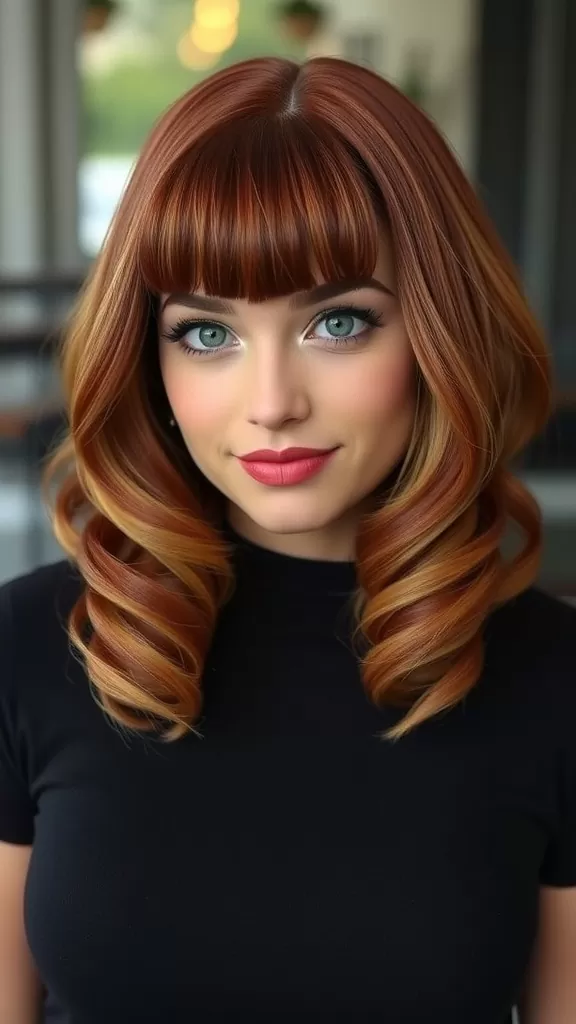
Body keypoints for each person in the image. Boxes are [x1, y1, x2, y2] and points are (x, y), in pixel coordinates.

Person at [0, 55, 574, 1024]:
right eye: (207, 333)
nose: (271, 403)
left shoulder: (554, 681)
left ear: (439, 334)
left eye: (339, 321)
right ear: (149, 356)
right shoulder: (29, 647)